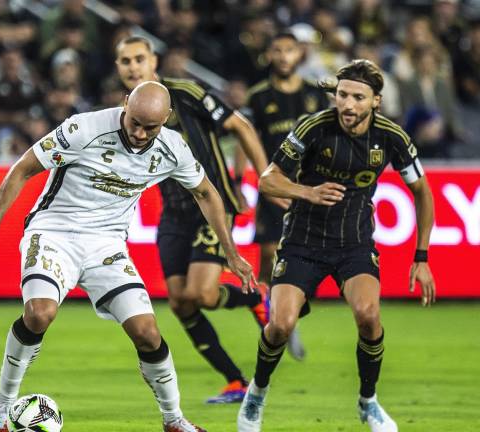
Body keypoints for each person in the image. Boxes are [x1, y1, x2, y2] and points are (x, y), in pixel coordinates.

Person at [0, 81, 256, 432]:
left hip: (106, 245)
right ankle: (0, 412)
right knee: (39, 314)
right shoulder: (83, 129)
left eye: (150, 127)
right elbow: (23, 168)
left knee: (148, 333)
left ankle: (174, 420)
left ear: (166, 119)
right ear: (124, 104)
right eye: (134, 121)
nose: (139, 133)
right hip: (54, 232)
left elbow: (207, 193)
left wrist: (231, 252)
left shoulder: (172, 148)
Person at [237, 59, 437, 432]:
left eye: (358, 97)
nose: (347, 104)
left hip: (354, 243)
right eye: (342, 94)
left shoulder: (392, 137)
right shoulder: (314, 127)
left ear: (376, 101)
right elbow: (268, 180)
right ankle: (257, 394)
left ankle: (369, 402)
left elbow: (422, 192)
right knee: (280, 325)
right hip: (302, 241)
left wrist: (421, 257)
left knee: (369, 316)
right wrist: (307, 192)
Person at [115, 35, 269, 404]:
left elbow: (241, 127)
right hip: (173, 213)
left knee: (200, 293)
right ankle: (236, 381)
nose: (133, 67)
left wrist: (268, 184)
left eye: (139, 58)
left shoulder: (185, 92)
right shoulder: (126, 112)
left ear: (154, 60)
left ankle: (256, 298)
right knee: (181, 303)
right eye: (125, 61)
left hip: (212, 205)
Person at [243, 30, 329, 360]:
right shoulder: (259, 96)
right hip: (274, 188)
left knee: (309, 259)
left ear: (299, 55)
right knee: (268, 256)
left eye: (288, 50)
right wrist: (245, 179)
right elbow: (246, 139)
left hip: (306, 189)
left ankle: (288, 316)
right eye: (276, 50)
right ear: (269, 55)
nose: (282, 56)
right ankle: (272, 319)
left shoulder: (314, 96)